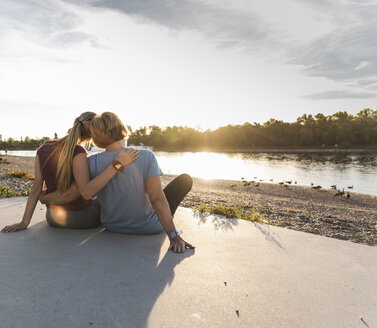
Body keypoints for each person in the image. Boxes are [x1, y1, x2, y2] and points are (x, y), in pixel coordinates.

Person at [1, 112, 139, 233]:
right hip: (80, 218)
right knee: (105, 198)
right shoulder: (79, 153)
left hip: (53, 218)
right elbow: (72, 195)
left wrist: (24, 222)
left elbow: (36, 187)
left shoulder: (44, 147)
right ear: (92, 136)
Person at [87, 112, 195, 253]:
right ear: (121, 129)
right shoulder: (145, 156)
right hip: (149, 228)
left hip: (112, 226)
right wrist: (174, 236)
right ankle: (168, 222)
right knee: (185, 180)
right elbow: (156, 198)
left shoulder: (91, 161)